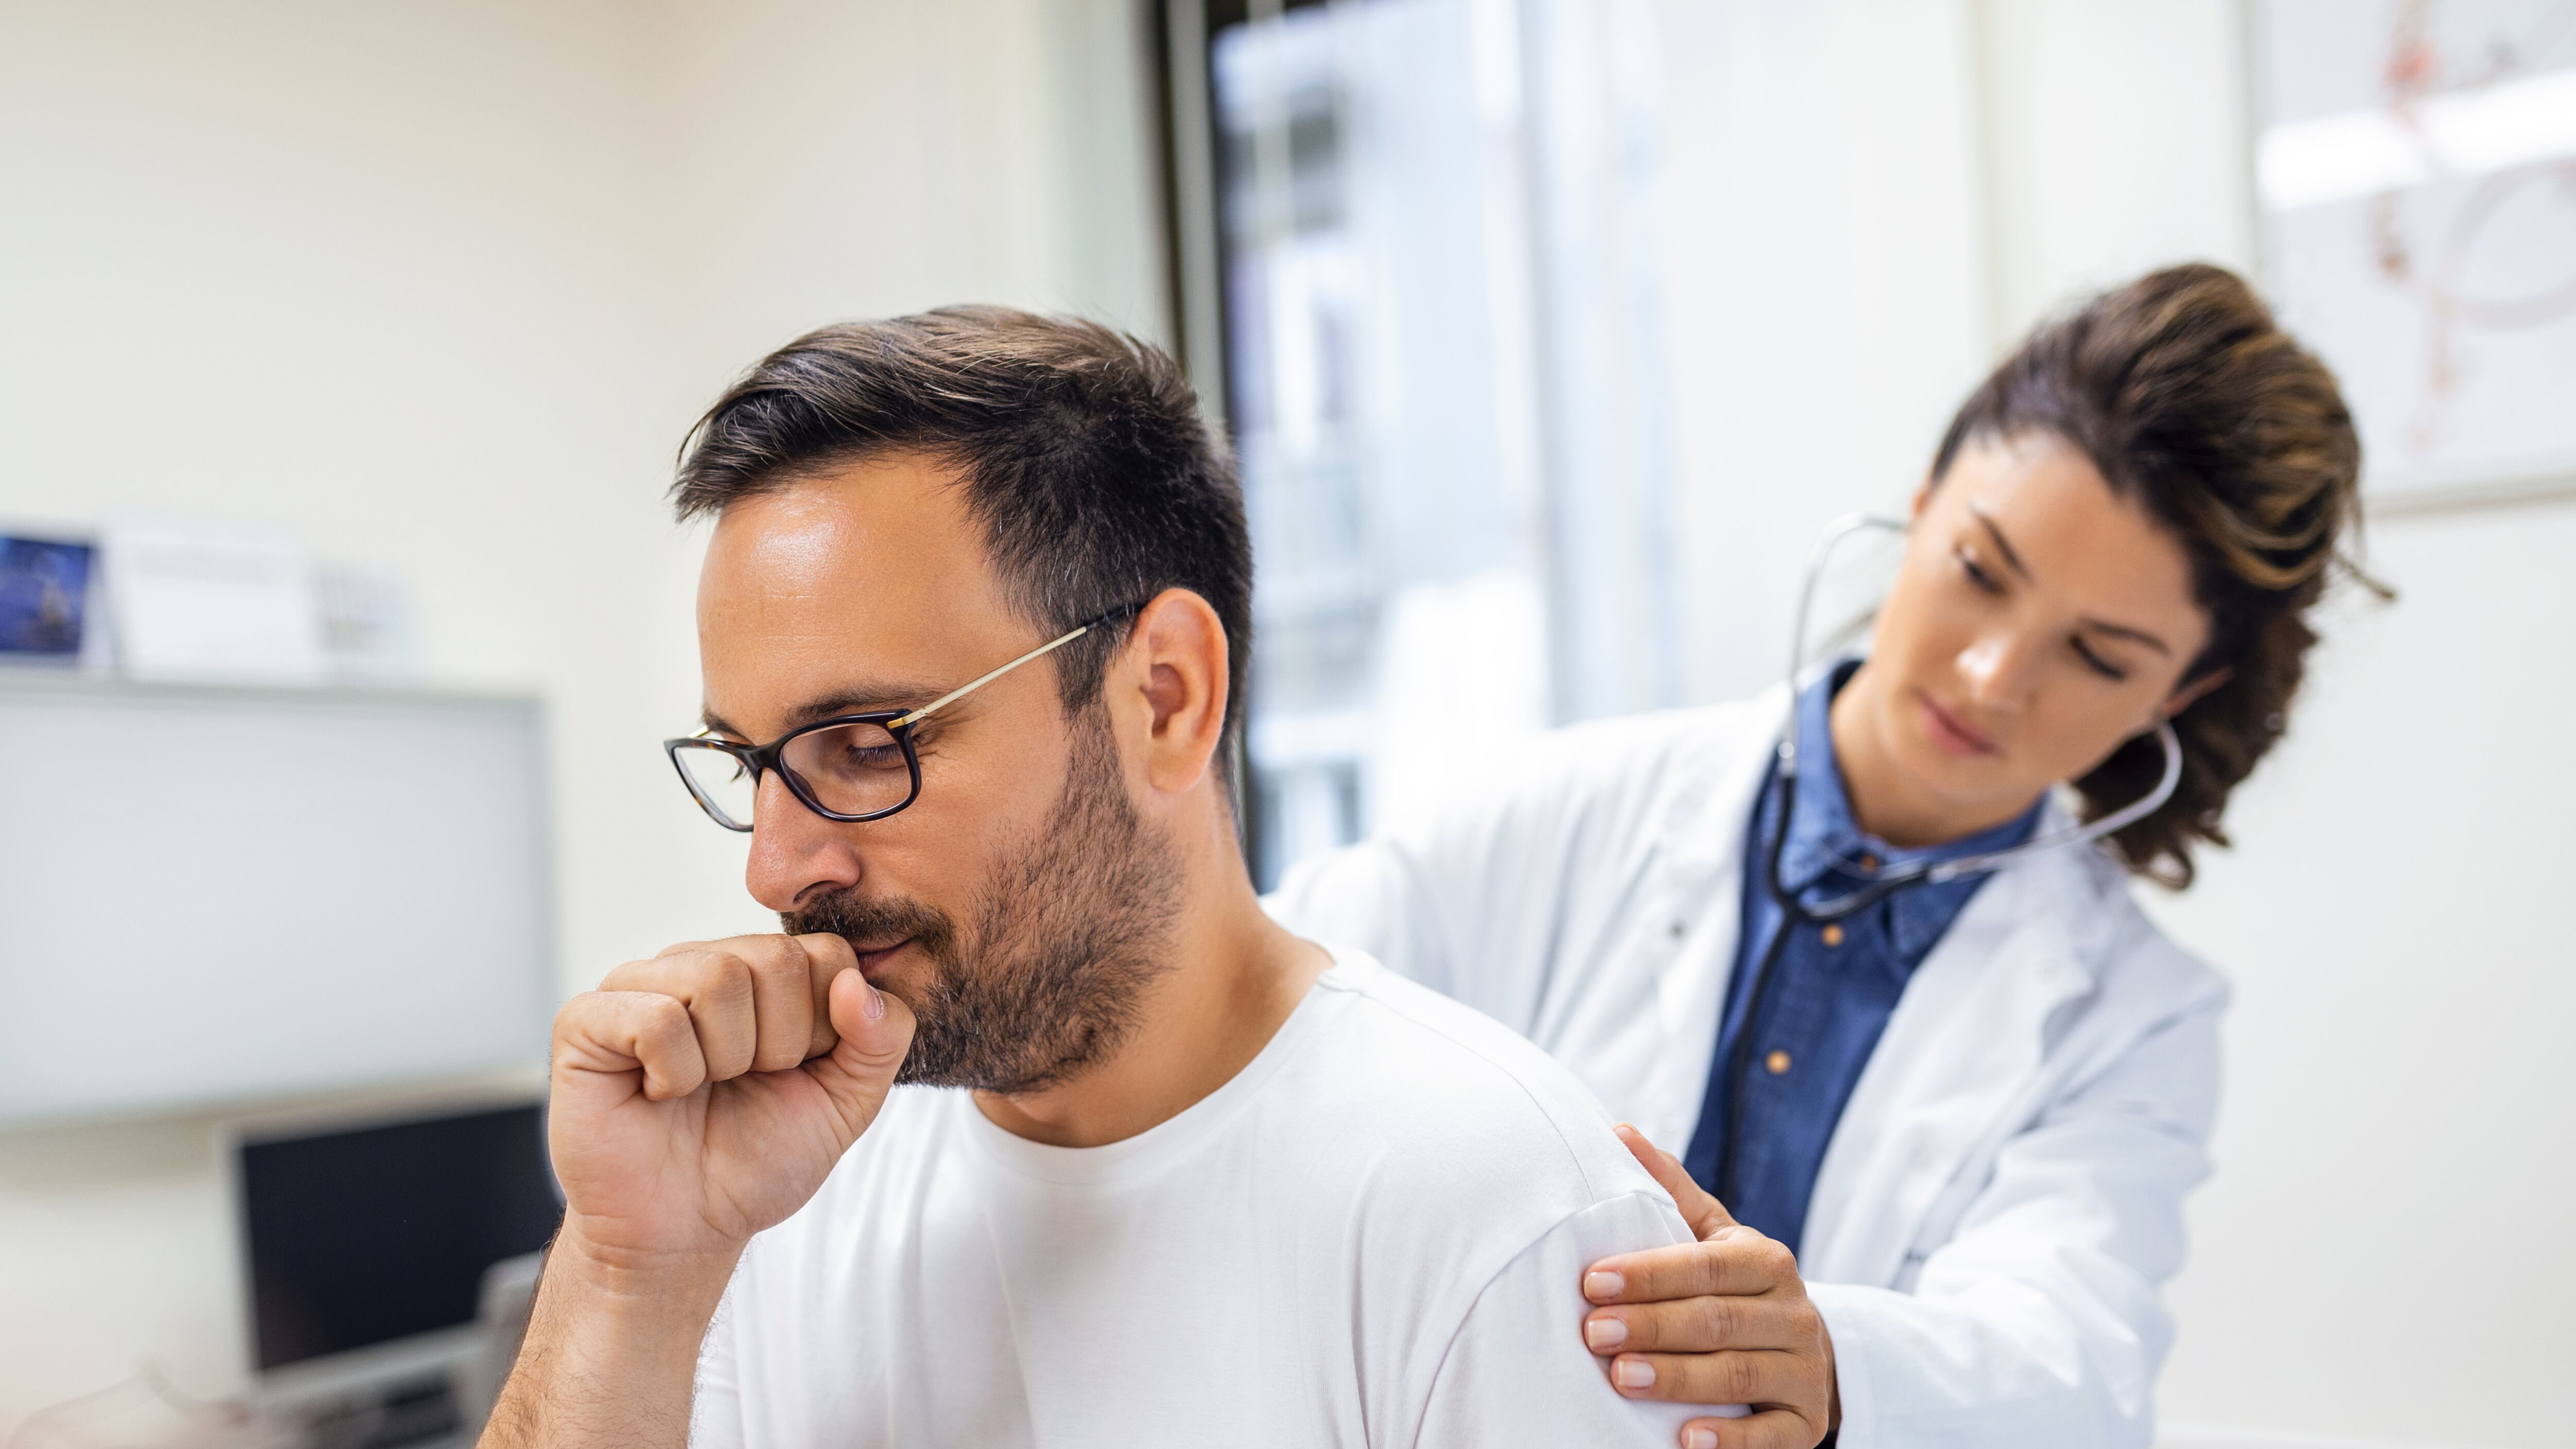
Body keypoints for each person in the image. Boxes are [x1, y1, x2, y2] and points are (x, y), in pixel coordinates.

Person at [480, 308, 1736, 1448]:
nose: (775, 868)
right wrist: (627, 1272)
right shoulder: (778, 1186)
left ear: (1163, 698)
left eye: (869, 746)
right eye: (751, 763)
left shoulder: (1492, 1209)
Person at [1268, 264, 2376, 1448]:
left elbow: (2071, 1366)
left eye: (2098, 655)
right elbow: (1258, 1002)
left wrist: (1837, 1368)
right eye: (1978, 570)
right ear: (1921, 501)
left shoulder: (2132, 1016)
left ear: (2182, 690)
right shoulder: (1570, 805)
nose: (1992, 675)